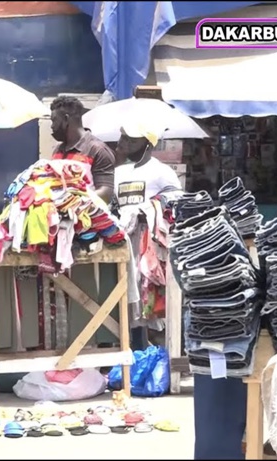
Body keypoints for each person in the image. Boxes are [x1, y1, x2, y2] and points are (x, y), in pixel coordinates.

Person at [114, 120, 182, 351]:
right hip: (124, 243)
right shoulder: (119, 172)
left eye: (130, 140)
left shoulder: (162, 173)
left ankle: (161, 354)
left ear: (147, 144)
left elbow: (176, 203)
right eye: (122, 138)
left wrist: (149, 210)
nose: (123, 144)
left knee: (151, 299)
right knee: (129, 301)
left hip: (150, 246)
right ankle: (134, 351)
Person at [49, 95, 116, 203]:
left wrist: (72, 202)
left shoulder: (98, 150)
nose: (52, 126)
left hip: (88, 217)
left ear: (66, 119)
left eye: (54, 121)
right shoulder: (57, 150)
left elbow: (106, 192)